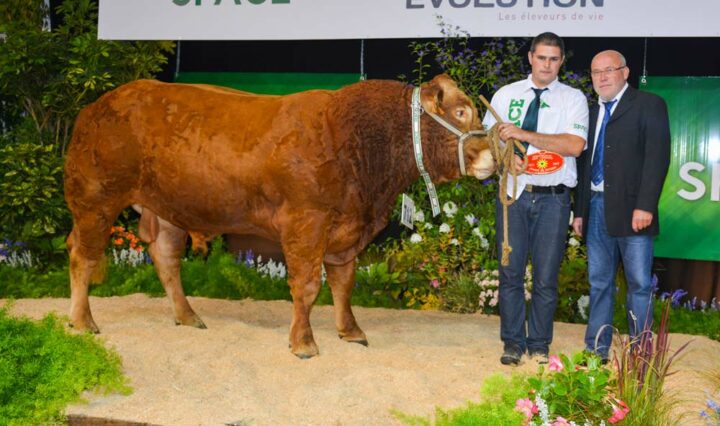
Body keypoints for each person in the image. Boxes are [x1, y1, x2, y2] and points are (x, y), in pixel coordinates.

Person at [483, 32, 589, 366]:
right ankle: (513, 342)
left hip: (554, 200)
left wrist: (523, 135)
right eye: (541, 57)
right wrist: (504, 156)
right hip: (513, 197)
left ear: (561, 61)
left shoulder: (573, 99)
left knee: (545, 277)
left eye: (554, 59)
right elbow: (488, 140)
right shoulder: (506, 94)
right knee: (510, 274)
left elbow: (574, 146)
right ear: (530, 57)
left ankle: (540, 343)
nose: (547, 64)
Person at [572, 50, 670, 361]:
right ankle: (595, 350)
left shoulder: (649, 104)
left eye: (608, 70)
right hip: (596, 209)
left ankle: (641, 352)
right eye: (595, 72)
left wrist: (645, 206)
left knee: (639, 284)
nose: (601, 77)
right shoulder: (589, 112)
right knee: (598, 282)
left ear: (625, 73)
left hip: (633, 212)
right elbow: (584, 166)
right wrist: (580, 211)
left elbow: (657, 159)